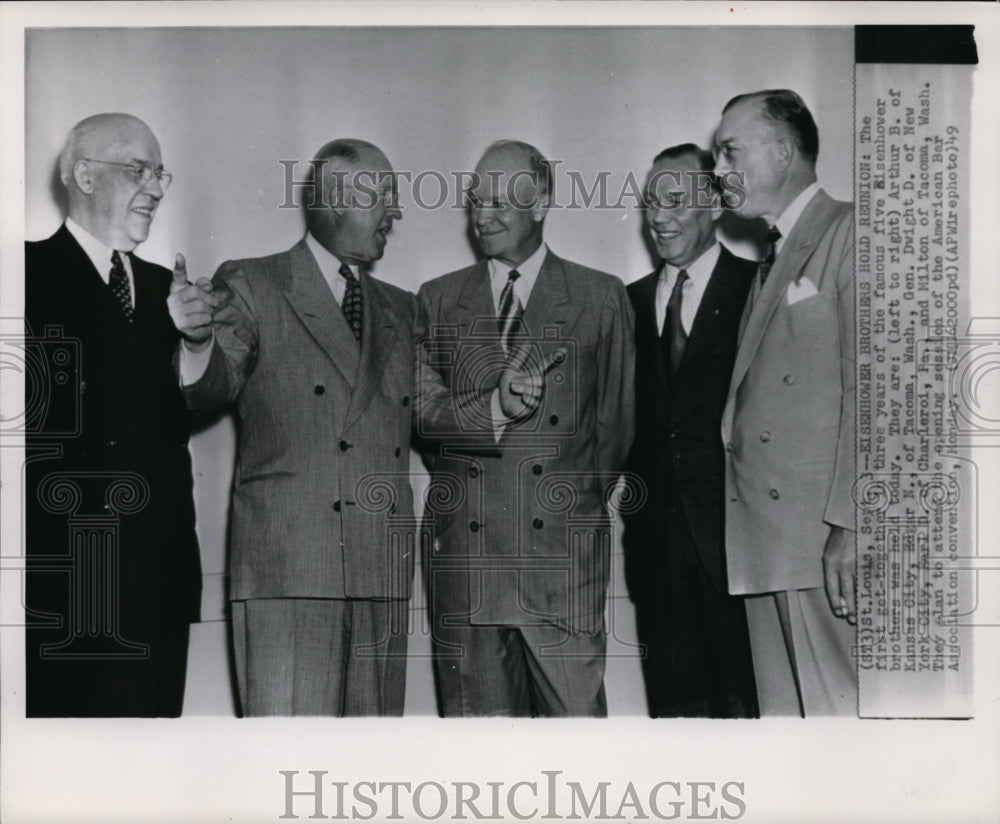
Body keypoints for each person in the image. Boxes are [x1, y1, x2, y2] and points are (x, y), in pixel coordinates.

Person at [178, 139, 416, 716]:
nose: (397, 211)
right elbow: (210, 389)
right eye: (383, 194)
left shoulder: (404, 308)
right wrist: (198, 340)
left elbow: (430, 407)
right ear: (336, 200)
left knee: (373, 782)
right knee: (285, 769)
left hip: (379, 572)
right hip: (289, 573)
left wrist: (500, 405)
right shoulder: (255, 283)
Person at [416, 140, 635, 717]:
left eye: (499, 200)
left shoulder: (599, 296)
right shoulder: (437, 300)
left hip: (560, 565)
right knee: (481, 759)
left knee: (578, 744)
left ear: (540, 203)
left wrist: (565, 509)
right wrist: (490, 407)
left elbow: (613, 431)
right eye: (474, 199)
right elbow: (421, 413)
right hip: (468, 564)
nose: (481, 214)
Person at [24, 113, 211, 716]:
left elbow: (192, 414)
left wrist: (197, 342)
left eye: (160, 174)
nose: (155, 188)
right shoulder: (20, 274)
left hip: (159, 580)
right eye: (138, 170)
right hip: (65, 589)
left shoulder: (169, 291)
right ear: (83, 174)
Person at [713, 89, 856, 715]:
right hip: (766, 547)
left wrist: (854, 526)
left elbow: (877, 397)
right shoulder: (771, 256)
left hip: (823, 548)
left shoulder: (851, 230)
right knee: (791, 741)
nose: (718, 171)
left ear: (781, 151)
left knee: (840, 733)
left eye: (729, 152)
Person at [623, 144, 758, 718]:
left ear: (715, 207)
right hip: (654, 550)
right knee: (673, 719)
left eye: (676, 200)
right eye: (652, 201)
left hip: (741, 546)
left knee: (749, 713)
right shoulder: (624, 303)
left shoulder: (756, 288)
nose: (660, 216)